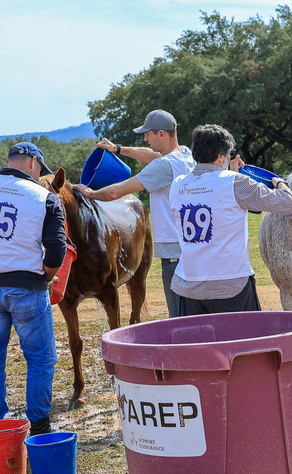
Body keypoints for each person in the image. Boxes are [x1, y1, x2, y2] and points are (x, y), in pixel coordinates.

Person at [74, 109, 196, 318]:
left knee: (179, 317)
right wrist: (118, 149)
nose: (145, 138)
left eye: (147, 134)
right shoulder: (185, 155)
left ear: (161, 134)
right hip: (193, 247)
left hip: (174, 255)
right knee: (195, 311)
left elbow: (115, 191)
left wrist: (90, 193)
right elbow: (152, 155)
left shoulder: (163, 166)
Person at [169, 124, 292, 316]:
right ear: (221, 156)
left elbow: (213, 196)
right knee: (241, 343)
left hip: (189, 283)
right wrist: (279, 182)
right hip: (231, 283)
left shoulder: (178, 184)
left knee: (197, 344)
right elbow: (287, 204)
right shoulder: (235, 182)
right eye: (229, 154)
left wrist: (232, 173)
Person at [0, 143, 66, 436]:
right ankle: (39, 427)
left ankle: (3, 429)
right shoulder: (45, 198)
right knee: (40, 359)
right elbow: (56, 251)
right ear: (31, 163)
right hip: (27, 287)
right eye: (40, 169)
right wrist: (46, 277)